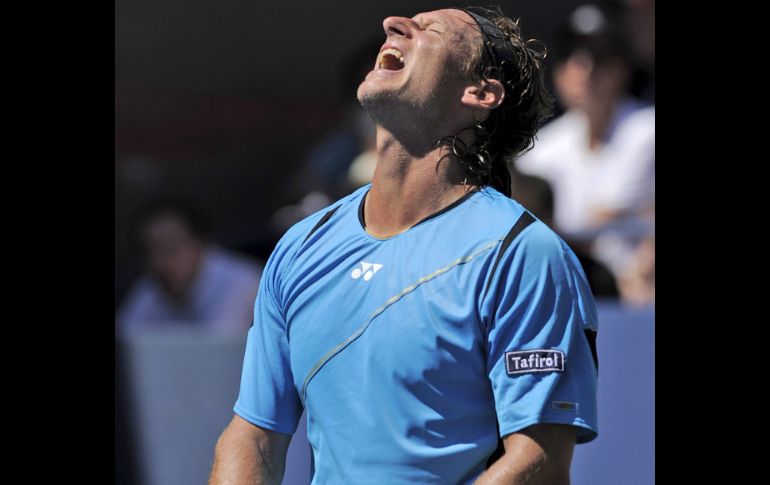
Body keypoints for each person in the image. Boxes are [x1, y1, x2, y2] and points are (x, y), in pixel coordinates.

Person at [210, 7, 598, 484]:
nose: (394, 24)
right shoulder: (300, 247)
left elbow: (538, 463)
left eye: (429, 29)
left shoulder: (523, 253)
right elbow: (253, 435)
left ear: (480, 92)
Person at [515, 2, 654, 304]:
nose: (585, 70)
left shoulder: (647, 130)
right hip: (571, 287)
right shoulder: (541, 146)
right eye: (571, 57)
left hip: (637, 297)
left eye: (600, 57)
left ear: (622, 68)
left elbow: (600, 219)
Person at [116, 199, 263, 334]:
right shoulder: (152, 285)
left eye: (169, 248)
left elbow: (215, 351)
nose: (158, 261)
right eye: (149, 251)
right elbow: (126, 337)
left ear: (201, 243)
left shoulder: (244, 282)